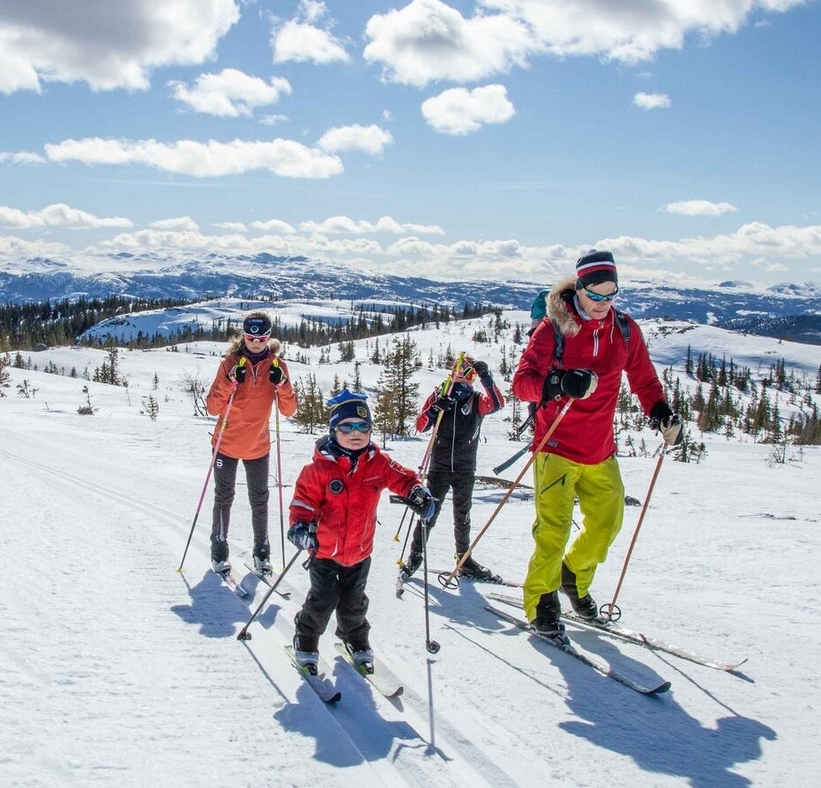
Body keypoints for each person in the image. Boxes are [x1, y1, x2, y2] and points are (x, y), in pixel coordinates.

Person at [509, 249, 683, 638]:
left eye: (611, 294)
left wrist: (660, 412)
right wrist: (557, 383)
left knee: (607, 524)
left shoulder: (624, 329)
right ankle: (541, 603)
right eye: (596, 294)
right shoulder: (553, 329)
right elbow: (522, 383)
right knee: (552, 532)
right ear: (579, 288)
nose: (604, 303)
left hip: (600, 449)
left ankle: (573, 576)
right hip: (554, 446)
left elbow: (644, 379)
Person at [286, 390, 435, 675]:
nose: (356, 433)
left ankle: (354, 639)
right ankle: (305, 639)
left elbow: (402, 477)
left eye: (363, 427)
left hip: (359, 551)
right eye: (347, 427)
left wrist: (416, 491)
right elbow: (302, 503)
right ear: (333, 430)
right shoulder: (318, 469)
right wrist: (300, 528)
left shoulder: (377, 462)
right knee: (323, 599)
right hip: (324, 550)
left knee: (354, 603)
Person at [205, 311, 298, 579]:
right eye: (250, 336)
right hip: (226, 443)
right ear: (243, 336)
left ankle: (262, 552)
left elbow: (289, 410)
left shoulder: (278, 365)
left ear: (269, 337)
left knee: (260, 500)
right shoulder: (231, 363)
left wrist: (282, 386)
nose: (256, 341)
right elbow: (212, 406)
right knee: (224, 498)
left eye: (261, 337)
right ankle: (219, 552)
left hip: (258, 446)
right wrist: (229, 381)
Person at [404, 354, 505, 583]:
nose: (463, 378)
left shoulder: (476, 400)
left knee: (463, 515)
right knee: (429, 512)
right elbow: (420, 425)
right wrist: (433, 410)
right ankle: (415, 555)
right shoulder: (440, 395)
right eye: (459, 372)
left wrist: (487, 378)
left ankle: (464, 558)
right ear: (452, 373)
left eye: (469, 374)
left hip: (464, 468)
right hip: (439, 467)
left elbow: (498, 404)